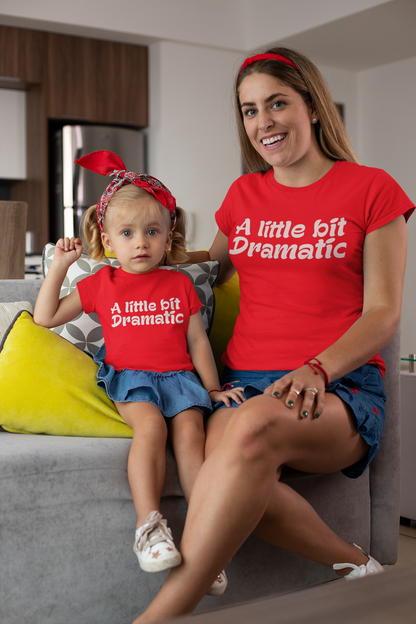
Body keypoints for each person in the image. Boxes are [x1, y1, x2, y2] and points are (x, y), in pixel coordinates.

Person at [132, 47, 414, 623]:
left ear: (312, 106)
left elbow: (383, 313)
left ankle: (157, 619)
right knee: (231, 452)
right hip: (246, 385)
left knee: (250, 426)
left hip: (338, 388)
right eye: (250, 110)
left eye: (277, 103)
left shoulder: (372, 190)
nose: (264, 122)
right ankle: (355, 565)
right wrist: (125, 245)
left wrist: (319, 367)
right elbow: (205, 270)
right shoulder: (243, 197)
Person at [33, 150, 243, 593]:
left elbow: (198, 342)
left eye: (152, 232)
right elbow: (45, 317)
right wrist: (58, 268)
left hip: (182, 381)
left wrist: (213, 389)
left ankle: (205, 543)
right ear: (108, 242)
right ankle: (149, 529)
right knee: (151, 429)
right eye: (127, 233)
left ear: (169, 237)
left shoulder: (180, 283)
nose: (140, 242)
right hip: (134, 378)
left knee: (190, 435)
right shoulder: (101, 283)